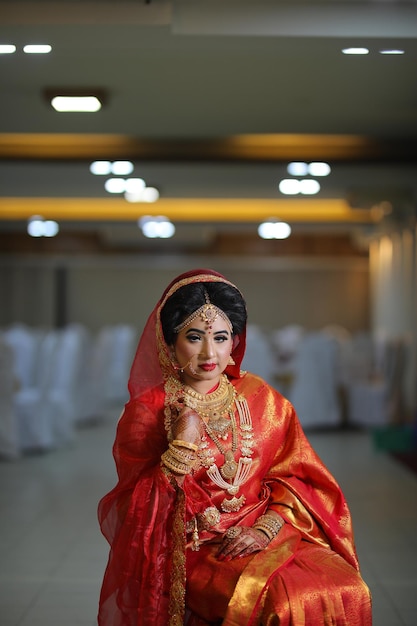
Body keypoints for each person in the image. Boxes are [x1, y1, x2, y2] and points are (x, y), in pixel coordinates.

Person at [97, 269, 372, 626]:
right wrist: (182, 443)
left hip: (268, 535)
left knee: (346, 586)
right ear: (169, 344)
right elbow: (136, 511)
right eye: (194, 337)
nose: (209, 353)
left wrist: (264, 530)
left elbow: (297, 480)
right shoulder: (149, 411)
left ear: (235, 344)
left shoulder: (264, 399)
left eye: (221, 337)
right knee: (284, 603)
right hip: (197, 551)